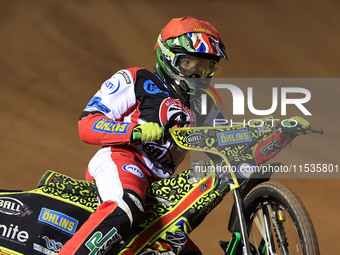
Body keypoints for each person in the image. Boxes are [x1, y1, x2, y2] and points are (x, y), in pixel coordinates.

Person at [59, 16, 310, 255]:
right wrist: (134, 131)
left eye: (205, 66)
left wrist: (280, 137)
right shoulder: (135, 79)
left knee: (184, 250)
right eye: (189, 63)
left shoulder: (205, 106)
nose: (197, 74)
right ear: (168, 57)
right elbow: (87, 123)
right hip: (122, 159)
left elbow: (230, 156)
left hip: (161, 186)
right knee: (126, 206)